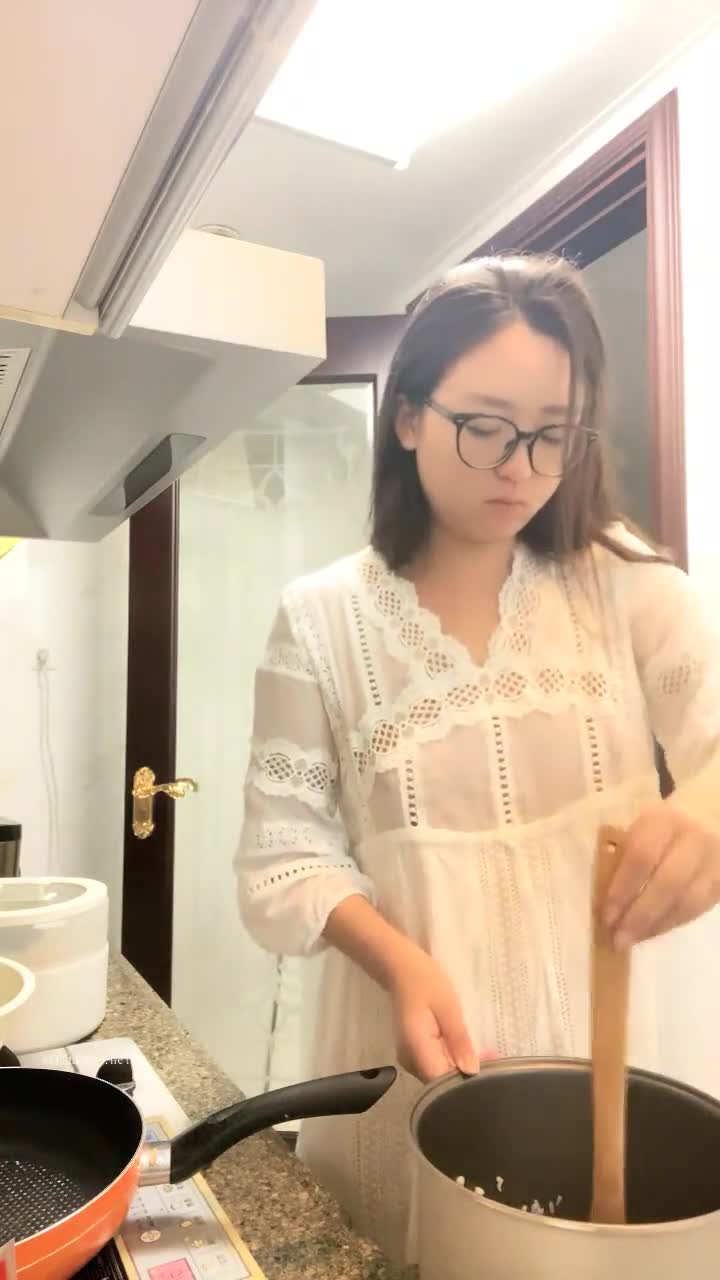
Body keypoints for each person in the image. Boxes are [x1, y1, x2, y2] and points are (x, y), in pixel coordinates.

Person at [234, 254, 720, 1264]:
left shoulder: (623, 583)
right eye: (487, 426)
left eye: (552, 433)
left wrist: (709, 808)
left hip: (619, 1050)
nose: (520, 466)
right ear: (410, 416)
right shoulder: (321, 621)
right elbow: (284, 856)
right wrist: (399, 959)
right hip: (416, 1062)